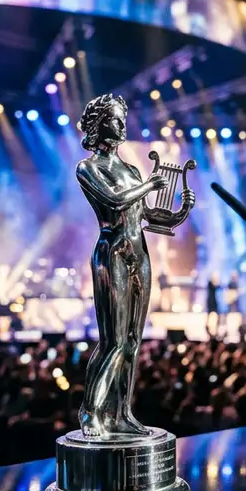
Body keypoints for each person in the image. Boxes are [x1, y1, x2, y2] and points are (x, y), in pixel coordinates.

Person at [75, 93, 194, 438]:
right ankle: (91, 411)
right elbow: (113, 201)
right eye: (114, 118)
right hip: (111, 251)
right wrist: (148, 186)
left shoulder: (130, 169)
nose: (121, 125)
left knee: (132, 340)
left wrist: (181, 211)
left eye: (122, 118)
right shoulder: (88, 168)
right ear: (99, 125)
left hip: (138, 254)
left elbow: (145, 215)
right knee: (112, 340)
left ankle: (121, 412)